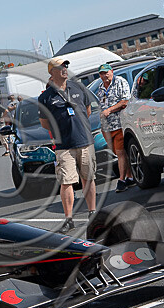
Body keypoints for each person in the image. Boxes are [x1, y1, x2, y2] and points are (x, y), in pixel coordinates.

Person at [38, 57, 96, 233]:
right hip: (64, 146)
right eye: (61, 66)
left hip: (84, 140)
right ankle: (69, 218)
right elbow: (44, 122)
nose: (65, 68)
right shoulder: (45, 97)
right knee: (66, 181)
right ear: (52, 72)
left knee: (89, 178)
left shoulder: (77, 87)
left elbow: (87, 110)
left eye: (66, 65)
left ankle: (92, 212)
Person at [96, 64, 133, 192]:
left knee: (121, 153)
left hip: (119, 124)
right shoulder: (100, 88)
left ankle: (121, 180)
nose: (104, 75)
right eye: (101, 73)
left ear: (112, 72)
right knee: (118, 153)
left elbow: (125, 101)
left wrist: (109, 110)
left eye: (106, 72)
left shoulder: (120, 82)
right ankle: (130, 176)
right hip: (107, 127)